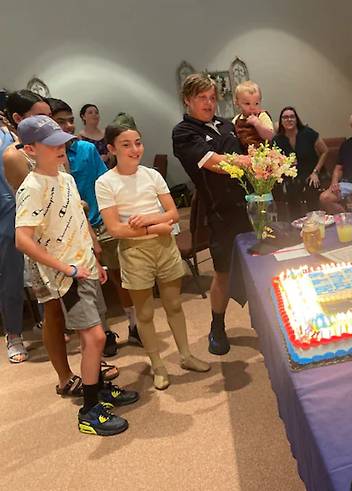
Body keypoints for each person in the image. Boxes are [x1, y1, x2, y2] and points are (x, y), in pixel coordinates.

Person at [15, 115, 138, 435]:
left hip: (85, 266)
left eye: (61, 140)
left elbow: (77, 219)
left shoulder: (65, 178)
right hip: (67, 274)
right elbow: (22, 239)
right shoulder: (31, 188)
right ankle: (89, 409)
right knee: (94, 337)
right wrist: (65, 268)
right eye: (51, 143)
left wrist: (94, 254)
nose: (61, 146)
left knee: (97, 332)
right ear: (30, 149)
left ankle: (99, 391)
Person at [97, 115, 209, 389]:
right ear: (112, 149)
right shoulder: (105, 182)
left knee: (174, 305)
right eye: (126, 145)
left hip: (164, 248)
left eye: (138, 143)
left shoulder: (152, 175)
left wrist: (149, 221)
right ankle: (158, 366)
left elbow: (171, 214)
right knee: (145, 313)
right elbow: (115, 229)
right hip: (135, 254)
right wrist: (157, 228)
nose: (135, 149)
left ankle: (185, 355)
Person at [48, 98, 139, 356]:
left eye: (69, 120)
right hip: (73, 235)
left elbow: (106, 181)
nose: (67, 126)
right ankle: (107, 331)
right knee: (91, 287)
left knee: (121, 276)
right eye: (60, 121)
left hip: (103, 222)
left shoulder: (86, 150)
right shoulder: (48, 160)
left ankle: (134, 325)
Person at [172, 73, 252, 356]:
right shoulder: (183, 133)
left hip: (249, 206)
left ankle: (264, 321)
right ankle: (217, 327)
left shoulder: (226, 125)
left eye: (212, 98)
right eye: (201, 98)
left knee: (258, 267)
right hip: (219, 212)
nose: (208, 103)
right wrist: (246, 162)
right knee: (223, 273)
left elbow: (250, 148)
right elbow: (214, 163)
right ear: (188, 100)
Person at [0, 113, 27, 362]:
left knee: (23, 272)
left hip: (15, 205)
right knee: (8, 276)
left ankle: (17, 332)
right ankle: (13, 332)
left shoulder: (8, 133)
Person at [273, 106, 329, 219]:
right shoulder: (277, 140)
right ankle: (297, 229)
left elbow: (325, 151)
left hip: (311, 175)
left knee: (311, 190)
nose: (289, 120)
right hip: (291, 178)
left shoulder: (308, 133)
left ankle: (316, 224)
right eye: (285, 117)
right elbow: (275, 161)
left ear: (296, 119)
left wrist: (315, 172)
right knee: (290, 194)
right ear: (281, 121)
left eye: (292, 117)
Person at [231, 80, 274, 151]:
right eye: (247, 104)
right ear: (237, 103)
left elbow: (270, 136)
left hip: (263, 154)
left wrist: (258, 124)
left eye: (256, 103)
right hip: (244, 154)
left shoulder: (262, 116)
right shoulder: (236, 119)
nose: (252, 107)